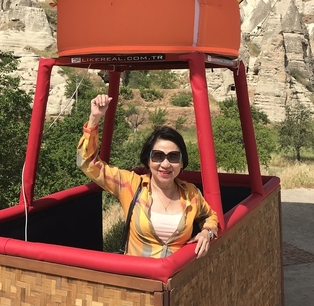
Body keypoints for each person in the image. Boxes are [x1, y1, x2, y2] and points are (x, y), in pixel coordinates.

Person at [77, 94, 218, 258]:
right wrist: (94, 119)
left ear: (181, 163)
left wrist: (206, 233)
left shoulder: (190, 193)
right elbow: (86, 162)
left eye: (173, 157)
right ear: (148, 159)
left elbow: (210, 216)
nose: (165, 164)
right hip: (138, 279)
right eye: (158, 156)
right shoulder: (130, 185)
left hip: (179, 280)